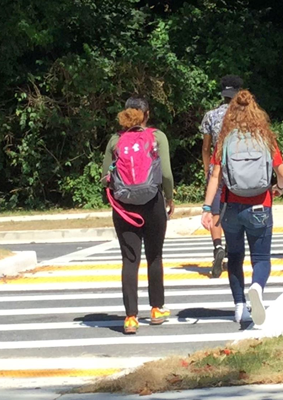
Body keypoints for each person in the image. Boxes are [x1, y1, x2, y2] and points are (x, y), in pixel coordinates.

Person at [201, 90, 283, 325]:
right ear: (255, 111)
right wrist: (278, 188)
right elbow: (281, 174)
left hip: (232, 207)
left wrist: (207, 208)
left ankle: (239, 306)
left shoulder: (226, 140)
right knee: (261, 258)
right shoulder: (266, 138)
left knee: (236, 257)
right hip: (261, 205)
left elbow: (215, 176)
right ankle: (257, 287)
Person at [102, 97, 175, 334]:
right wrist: (169, 197)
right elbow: (165, 173)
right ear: (147, 114)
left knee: (129, 259)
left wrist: (114, 201)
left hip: (124, 206)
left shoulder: (115, 140)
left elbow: (105, 176)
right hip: (153, 203)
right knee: (155, 256)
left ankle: (131, 317)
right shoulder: (157, 137)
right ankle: (156, 309)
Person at [200, 75, 243, 278]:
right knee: (237, 206)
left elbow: (206, 147)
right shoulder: (245, 115)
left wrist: (207, 169)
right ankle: (233, 248)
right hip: (240, 169)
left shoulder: (210, 116)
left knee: (215, 207)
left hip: (217, 168)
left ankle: (217, 247)